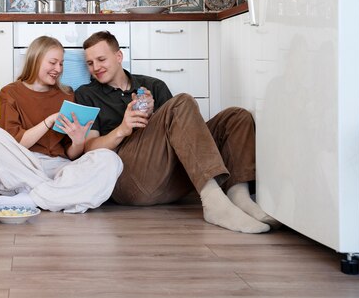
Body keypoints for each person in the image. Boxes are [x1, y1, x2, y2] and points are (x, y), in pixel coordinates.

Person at [74, 31, 280, 233]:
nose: (96, 68)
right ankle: (214, 202)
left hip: (172, 179)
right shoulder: (86, 94)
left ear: (119, 56)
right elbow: (89, 149)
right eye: (90, 63)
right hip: (128, 182)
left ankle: (239, 196)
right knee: (181, 102)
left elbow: (180, 135)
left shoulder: (153, 86)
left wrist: (155, 116)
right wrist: (123, 129)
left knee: (237, 117)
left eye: (101, 59)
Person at [0, 36, 123, 213]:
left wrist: (77, 141)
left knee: (110, 159)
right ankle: (58, 195)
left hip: (60, 168)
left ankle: (30, 198)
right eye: (53, 63)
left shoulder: (67, 94)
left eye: (61, 64)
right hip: (24, 166)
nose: (58, 69)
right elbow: (16, 143)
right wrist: (49, 121)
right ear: (35, 60)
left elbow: (71, 154)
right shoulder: (10, 92)